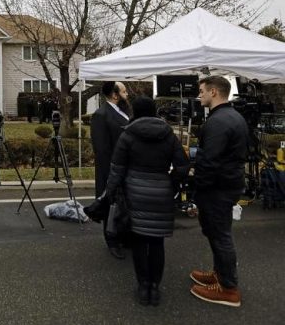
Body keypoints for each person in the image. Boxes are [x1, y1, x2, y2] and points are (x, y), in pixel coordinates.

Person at [105, 96, 189, 306]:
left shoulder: (128, 134)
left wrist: (109, 193)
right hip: (161, 192)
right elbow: (182, 167)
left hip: (135, 192)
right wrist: (170, 182)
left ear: (135, 111)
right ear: (154, 111)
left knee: (140, 241)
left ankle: (143, 286)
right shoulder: (168, 134)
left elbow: (117, 168)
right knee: (157, 241)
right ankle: (155, 287)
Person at [189, 76, 248, 308]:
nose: (199, 95)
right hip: (227, 184)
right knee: (218, 233)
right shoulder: (232, 116)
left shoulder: (218, 121)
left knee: (220, 235)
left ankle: (228, 288)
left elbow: (208, 161)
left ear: (214, 92)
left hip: (217, 188)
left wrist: (197, 192)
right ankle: (220, 274)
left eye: (202, 91)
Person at [90, 81, 130, 259]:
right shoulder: (101, 115)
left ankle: (124, 237)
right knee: (110, 204)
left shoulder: (125, 111)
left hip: (126, 167)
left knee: (123, 204)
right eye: (123, 91)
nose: (127, 94)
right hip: (111, 168)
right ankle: (112, 240)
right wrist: (110, 174)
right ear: (115, 95)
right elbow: (101, 149)